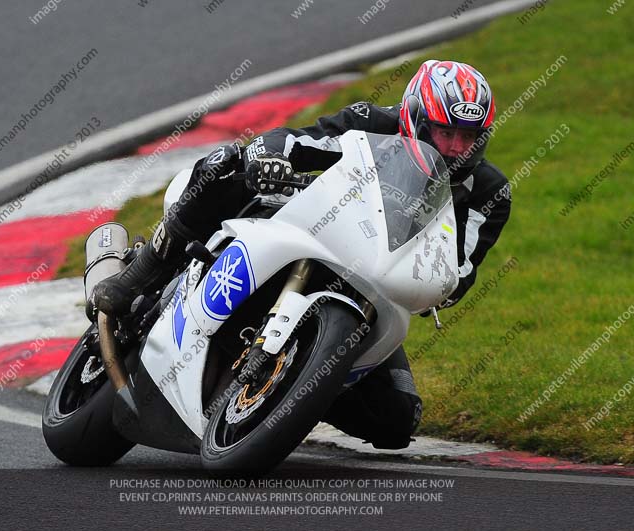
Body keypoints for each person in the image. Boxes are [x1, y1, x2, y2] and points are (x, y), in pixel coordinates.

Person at [90, 60, 511, 449]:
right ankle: (138, 276)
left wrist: (438, 281)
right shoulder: (371, 122)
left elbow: (460, 272)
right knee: (224, 164)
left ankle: (297, 386)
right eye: (446, 133)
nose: (457, 148)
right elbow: (298, 139)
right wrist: (267, 156)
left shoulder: (490, 192)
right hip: (309, 228)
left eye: (469, 137)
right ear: (416, 117)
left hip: (370, 286)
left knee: (397, 422)